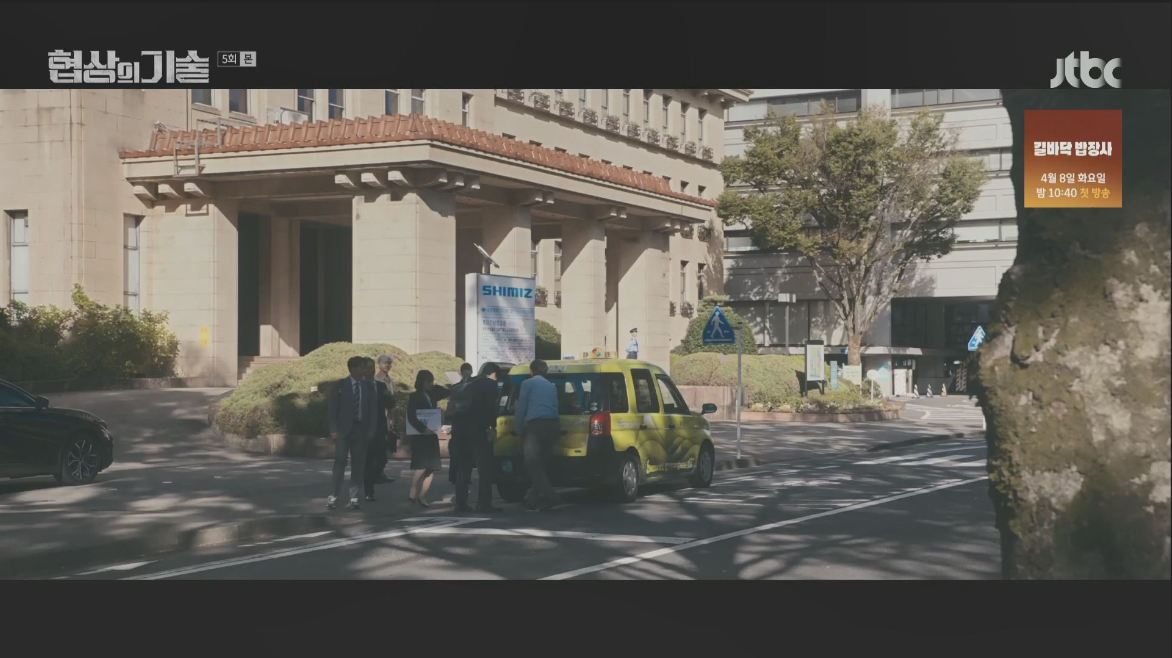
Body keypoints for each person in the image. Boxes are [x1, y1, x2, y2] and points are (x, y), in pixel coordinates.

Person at [327, 356, 377, 510]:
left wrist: (371, 429)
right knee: (340, 463)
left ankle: (354, 497)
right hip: (343, 431)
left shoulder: (368, 386)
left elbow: (373, 410)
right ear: (353, 369)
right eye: (362, 368)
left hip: (361, 430)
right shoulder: (341, 385)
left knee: (358, 465)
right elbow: (332, 409)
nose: (364, 371)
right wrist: (333, 429)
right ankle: (334, 495)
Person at [452, 363, 502, 513]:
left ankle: (460, 503)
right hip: (479, 431)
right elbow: (491, 408)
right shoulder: (490, 385)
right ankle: (483, 503)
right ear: (493, 374)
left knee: (464, 467)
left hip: (461, 431)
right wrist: (493, 427)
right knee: (484, 468)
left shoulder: (468, 383)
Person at [515, 359, 560, 511]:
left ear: (531, 371)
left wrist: (518, 429)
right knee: (542, 463)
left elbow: (521, 408)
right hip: (554, 425)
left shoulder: (527, 384)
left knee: (531, 462)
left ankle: (551, 496)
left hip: (537, 425)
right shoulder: (551, 386)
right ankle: (531, 497)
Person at [406, 370, 448, 508]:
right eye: (428, 382)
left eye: (432, 382)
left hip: (432, 434)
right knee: (422, 465)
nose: (431, 384)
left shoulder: (432, 394)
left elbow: (446, 392)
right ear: (421, 382)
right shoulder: (414, 396)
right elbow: (411, 416)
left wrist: (435, 386)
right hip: (420, 434)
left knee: (431, 467)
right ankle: (414, 487)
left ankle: (423, 496)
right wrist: (423, 429)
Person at [362, 358, 393, 502]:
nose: (371, 370)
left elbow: (390, 405)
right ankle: (369, 491)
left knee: (382, 459)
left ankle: (373, 477)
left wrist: (389, 397)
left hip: (380, 427)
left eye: (372, 367)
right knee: (368, 461)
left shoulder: (381, 386)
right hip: (365, 428)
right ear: (362, 370)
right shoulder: (360, 386)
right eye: (367, 368)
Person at [371, 354, 397, 485]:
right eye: (385, 363)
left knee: (386, 446)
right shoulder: (377, 380)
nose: (387, 365)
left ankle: (380, 472)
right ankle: (376, 473)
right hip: (380, 415)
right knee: (380, 447)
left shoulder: (390, 380)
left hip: (389, 414)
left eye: (389, 363)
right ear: (379, 364)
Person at [448, 363, 475, 486]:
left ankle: (464, 476)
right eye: (465, 370)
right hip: (459, 423)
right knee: (457, 452)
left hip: (466, 423)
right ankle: (456, 476)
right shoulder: (457, 387)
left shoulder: (473, 386)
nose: (466, 372)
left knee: (466, 452)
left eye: (468, 370)